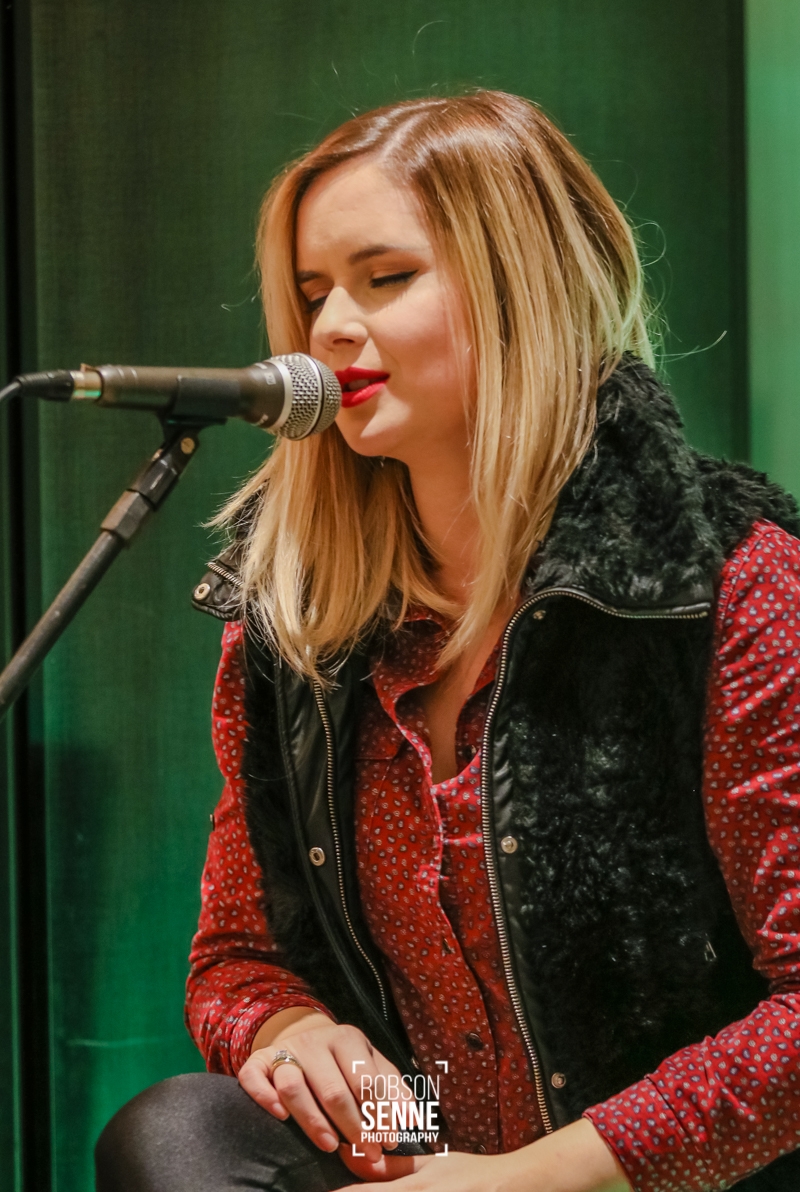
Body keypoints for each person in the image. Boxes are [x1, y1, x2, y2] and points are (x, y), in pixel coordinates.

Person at [95, 92, 800, 1192]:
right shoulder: (297, 615)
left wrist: (529, 1181)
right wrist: (290, 1036)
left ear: (525, 288)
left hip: (639, 1154)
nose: (327, 331)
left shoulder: (727, 582)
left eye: (384, 280)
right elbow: (236, 956)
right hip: (415, 1129)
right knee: (178, 1133)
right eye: (312, 294)